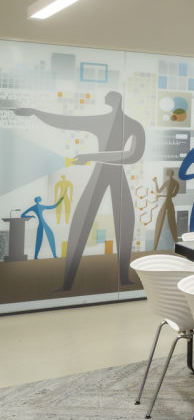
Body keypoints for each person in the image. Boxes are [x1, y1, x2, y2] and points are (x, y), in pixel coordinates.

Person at [15, 91, 145, 289]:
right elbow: (65, 122)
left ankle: (124, 277)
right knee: (81, 222)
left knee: (125, 223)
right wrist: (36, 113)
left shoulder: (134, 125)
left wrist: (91, 155)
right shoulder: (105, 122)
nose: (104, 99)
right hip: (102, 174)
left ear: (116, 101)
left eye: (107, 97)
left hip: (113, 173)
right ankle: (68, 282)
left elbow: (133, 155)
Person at [152, 169, 180, 248]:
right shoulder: (175, 183)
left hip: (168, 204)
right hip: (168, 203)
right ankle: (155, 247)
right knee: (169, 223)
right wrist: (156, 182)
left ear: (168, 174)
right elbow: (170, 194)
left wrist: (156, 183)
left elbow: (161, 192)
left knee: (171, 224)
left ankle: (176, 244)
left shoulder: (171, 183)